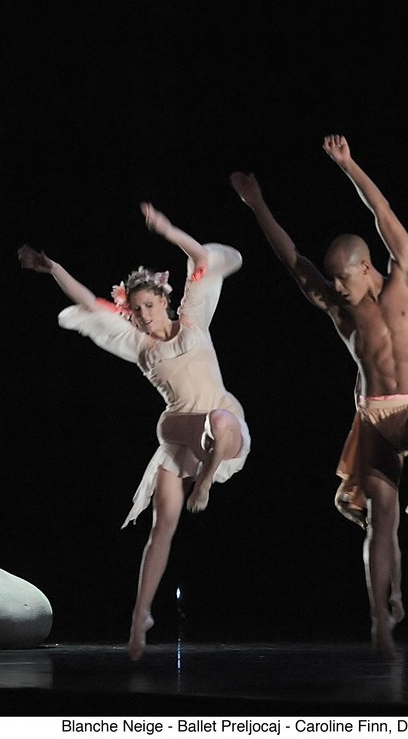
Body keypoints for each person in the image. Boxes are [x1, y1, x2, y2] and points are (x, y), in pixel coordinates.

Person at [230, 134, 408, 658]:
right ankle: (380, 623)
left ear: (366, 267)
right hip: (374, 417)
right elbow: (293, 260)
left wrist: (349, 165)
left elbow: (382, 211)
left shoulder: (407, 275)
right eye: (332, 280)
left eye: (343, 277)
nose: (336, 286)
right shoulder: (338, 307)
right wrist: (257, 205)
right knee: (380, 522)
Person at [18, 202, 250, 661]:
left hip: (218, 425)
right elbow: (90, 302)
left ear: (164, 301)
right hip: (179, 434)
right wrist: (52, 267)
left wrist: (167, 228)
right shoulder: (137, 344)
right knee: (161, 528)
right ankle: (139, 618)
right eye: (137, 310)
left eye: (149, 306)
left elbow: (201, 260)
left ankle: (204, 481)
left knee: (222, 422)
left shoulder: (193, 319)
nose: (144, 316)